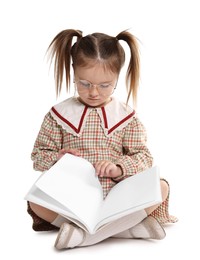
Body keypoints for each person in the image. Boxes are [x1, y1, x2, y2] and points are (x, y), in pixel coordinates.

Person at [27, 29, 177, 250]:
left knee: (160, 186)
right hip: (75, 197)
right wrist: (58, 158)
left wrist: (119, 168)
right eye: (84, 83)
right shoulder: (58, 115)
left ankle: (83, 236)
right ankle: (126, 230)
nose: (94, 92)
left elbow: (144, 157)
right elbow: (38, 157)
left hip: (119, 197)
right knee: (35, 199)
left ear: (117, 77)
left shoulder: (126, 116)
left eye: (105, 85)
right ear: (73, 73)